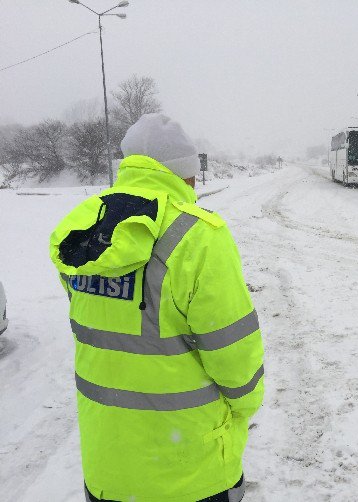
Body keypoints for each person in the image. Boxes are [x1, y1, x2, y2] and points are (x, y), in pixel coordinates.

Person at [49, 114, 264, 501]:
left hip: (107, 464)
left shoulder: (81, 229)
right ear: (186, 175)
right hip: (189, 472)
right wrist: (243, 408)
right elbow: (234, 354)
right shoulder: (198, 236)